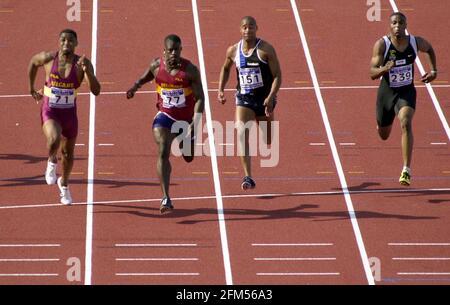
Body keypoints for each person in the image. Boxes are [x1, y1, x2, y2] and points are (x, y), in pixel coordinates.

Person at [126, 34, 205, 214]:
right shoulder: (156, 66)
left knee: (189, 156)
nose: (174, 53)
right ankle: (166, 197)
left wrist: (196, 121)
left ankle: (188, 139)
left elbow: (200, 98)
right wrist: (135, 87)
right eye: (170, 50)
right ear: (164, 51)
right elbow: (146, 76)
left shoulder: (190, 70)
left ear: (181, 50)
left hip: (186, 120)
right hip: (165, 117)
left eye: (177, 49)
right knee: (163, 149)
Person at [28, 29, 101, 204]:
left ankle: (64, 184)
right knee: (53, 139)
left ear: (76, 44)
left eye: (70, 41)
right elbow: (32, 63)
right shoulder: (47, 59)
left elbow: (96, 91)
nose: (66, 44)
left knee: (68, 154)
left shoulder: (82, 64)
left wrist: (88, 72)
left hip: (69, 115)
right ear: (59, 42)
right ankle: (51, 161)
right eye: (63, 40)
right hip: (50, 110)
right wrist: (31, 87)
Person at [370, 12, 437, 186]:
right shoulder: (382, 45)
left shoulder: (415, 42)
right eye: (394, 23)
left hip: (406, 92)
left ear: (406, 25)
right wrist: (384, 68)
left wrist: (433, 71)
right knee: (383, 134)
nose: (397, 26)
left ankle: (406, 170)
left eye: (401, 23)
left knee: (406, 122)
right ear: (389, 26)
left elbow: (429, 48)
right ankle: (383, 122)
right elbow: (372, 73)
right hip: (387, 94)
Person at [218, 16, 281, 190]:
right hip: (244, 99)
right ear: (240, 30)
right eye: (245, 27)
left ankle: (264, 125)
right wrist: (220, 89)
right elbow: (225, 68)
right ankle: (248, 176)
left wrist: (271, 96)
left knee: (268, 139)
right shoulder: (233, 50)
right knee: (240, 132)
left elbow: (277, 75)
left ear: (256, 28)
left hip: (264, 100)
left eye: (251, 27)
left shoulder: (266, 49)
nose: (248, 30)